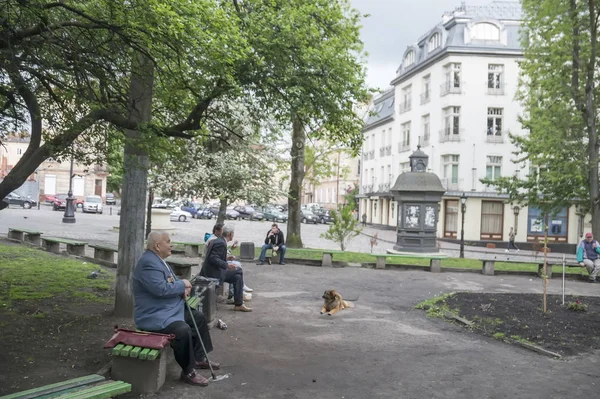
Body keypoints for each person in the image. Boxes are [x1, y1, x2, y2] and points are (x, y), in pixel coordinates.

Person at [132, 231, 220, 387]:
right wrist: (182, 284)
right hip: (154, 316)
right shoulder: (148, 263)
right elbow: (160, 289)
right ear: (158, 246)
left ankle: (199, 358)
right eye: (168, 241)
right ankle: (188, 371)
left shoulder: (158, 260)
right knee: (182, 330)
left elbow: (170, 281)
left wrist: (182, 288)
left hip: (168, 310)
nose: (171, 244)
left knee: (198, 318)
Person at [201, 225, 252, 312]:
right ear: (230, 234)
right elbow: (213, 258)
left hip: (213, 271)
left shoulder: (218, 241)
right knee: (238, 270)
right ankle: (238, 302)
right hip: (213, 273)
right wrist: (227, 265)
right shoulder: (221, 243)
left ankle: (238, 304)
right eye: (233, 233)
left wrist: (227, 259)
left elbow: (215, 257)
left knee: (237, 277)